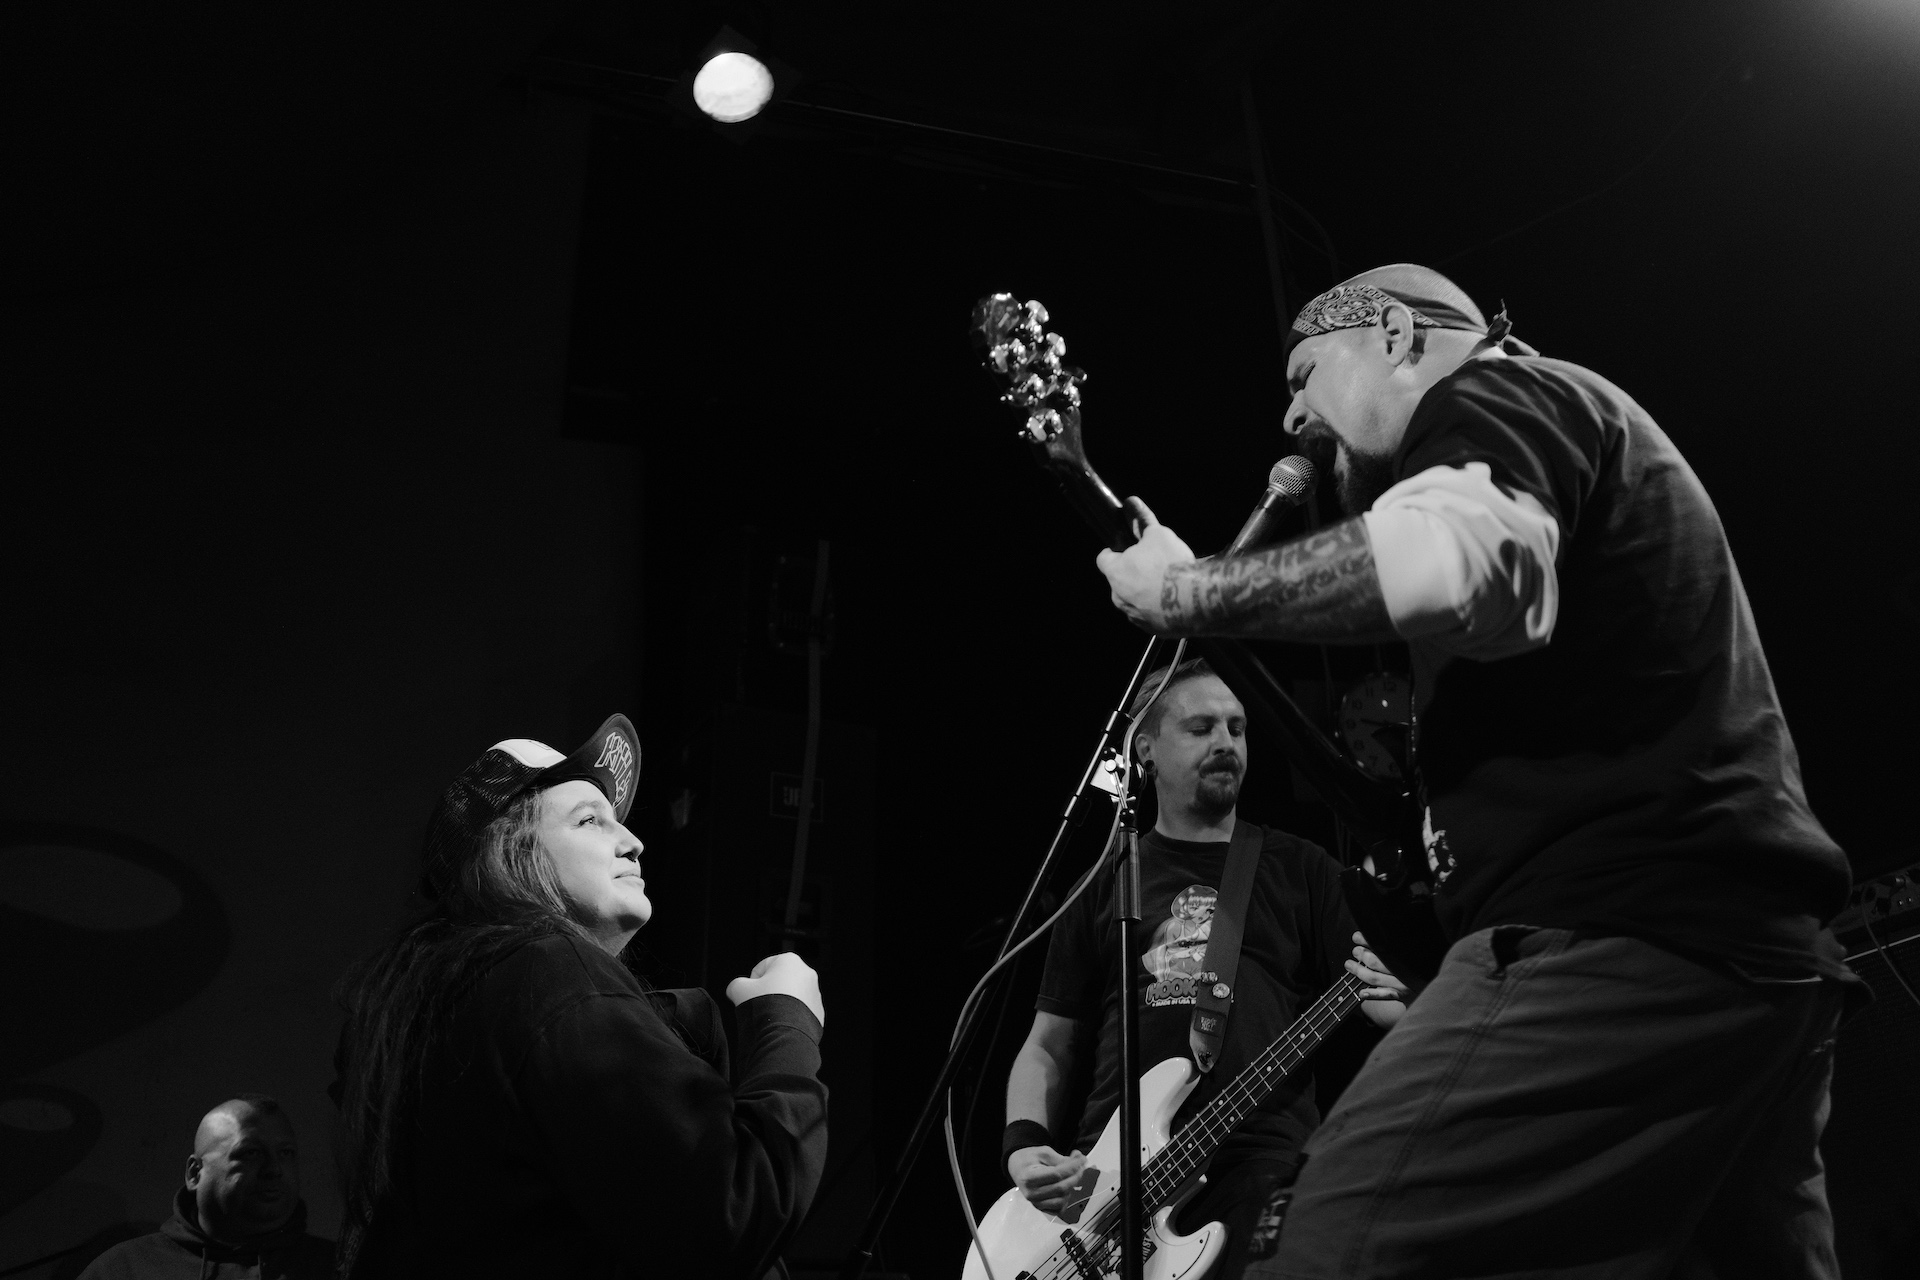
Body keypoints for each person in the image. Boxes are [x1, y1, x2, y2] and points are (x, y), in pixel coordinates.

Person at [1095, 264, 1858, 1279]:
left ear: (1395, 335)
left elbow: (1466, 563)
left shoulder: (1498, 394)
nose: (1292, 416)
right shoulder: (1560, 431)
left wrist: (1190, 591)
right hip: (1750, 964)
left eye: (1304, 374)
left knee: (1328, 1253)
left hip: (1619, 944)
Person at [331, 714, 827, 1279]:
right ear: (509, 855)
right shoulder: (545, 972)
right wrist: (786, 1021)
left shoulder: (432, 1015)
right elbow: (735, 1208)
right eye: (589, 820)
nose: (634, 842)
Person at [1002, 660, 1404, 1280]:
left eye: (1237, 728)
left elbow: (1379, 993)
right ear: (1145, 748)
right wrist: (1025, 1147)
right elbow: (1048, 1046)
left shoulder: (1302, 869)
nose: (1226, 742)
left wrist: (1407, 986)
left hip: (1257, 1159)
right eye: (1201, 728)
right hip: (1106, 1182)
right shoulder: (1106, 880)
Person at [78, 1095, 335, 1279]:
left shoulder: (340, 1267)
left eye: (286, 1153)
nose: (274, 1169)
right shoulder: (124, 1269)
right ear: (194, 1173)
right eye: (251, 1153)